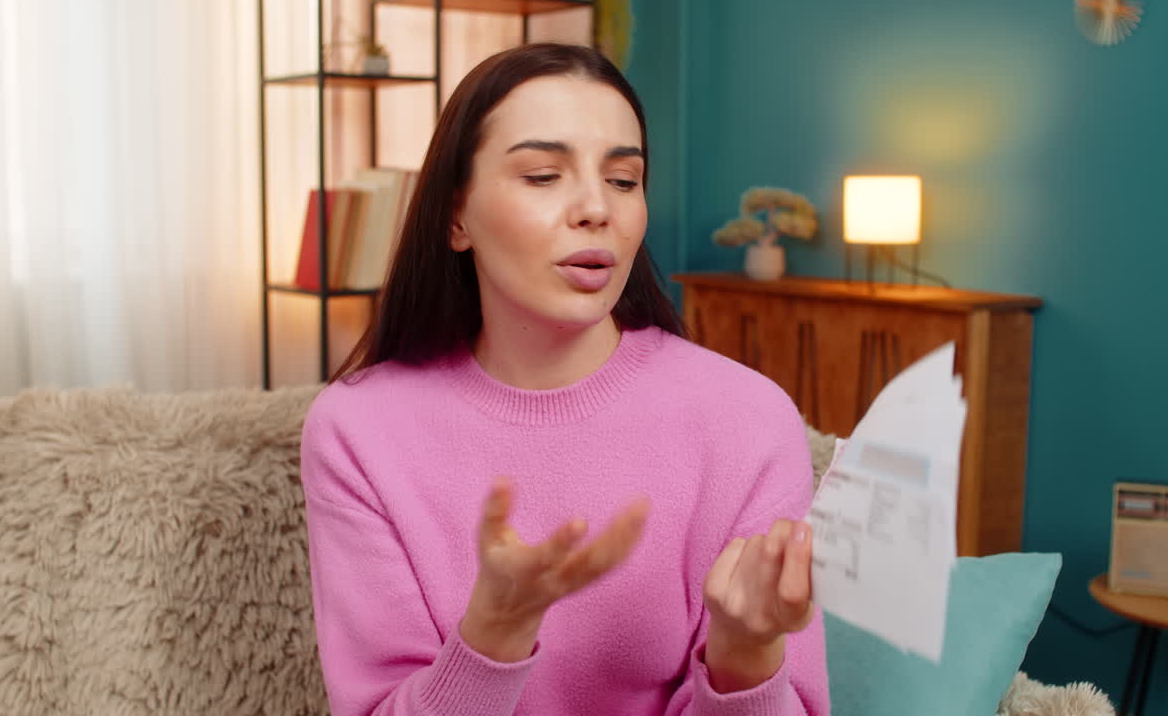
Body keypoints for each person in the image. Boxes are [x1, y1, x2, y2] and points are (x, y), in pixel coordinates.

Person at [300, 42, 829, 716]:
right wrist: (494, 633)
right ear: (455, 215)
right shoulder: (358, 431)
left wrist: (745, 654)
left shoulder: (748, 420)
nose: (595, 209)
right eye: (544, 174)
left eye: (623, 179)